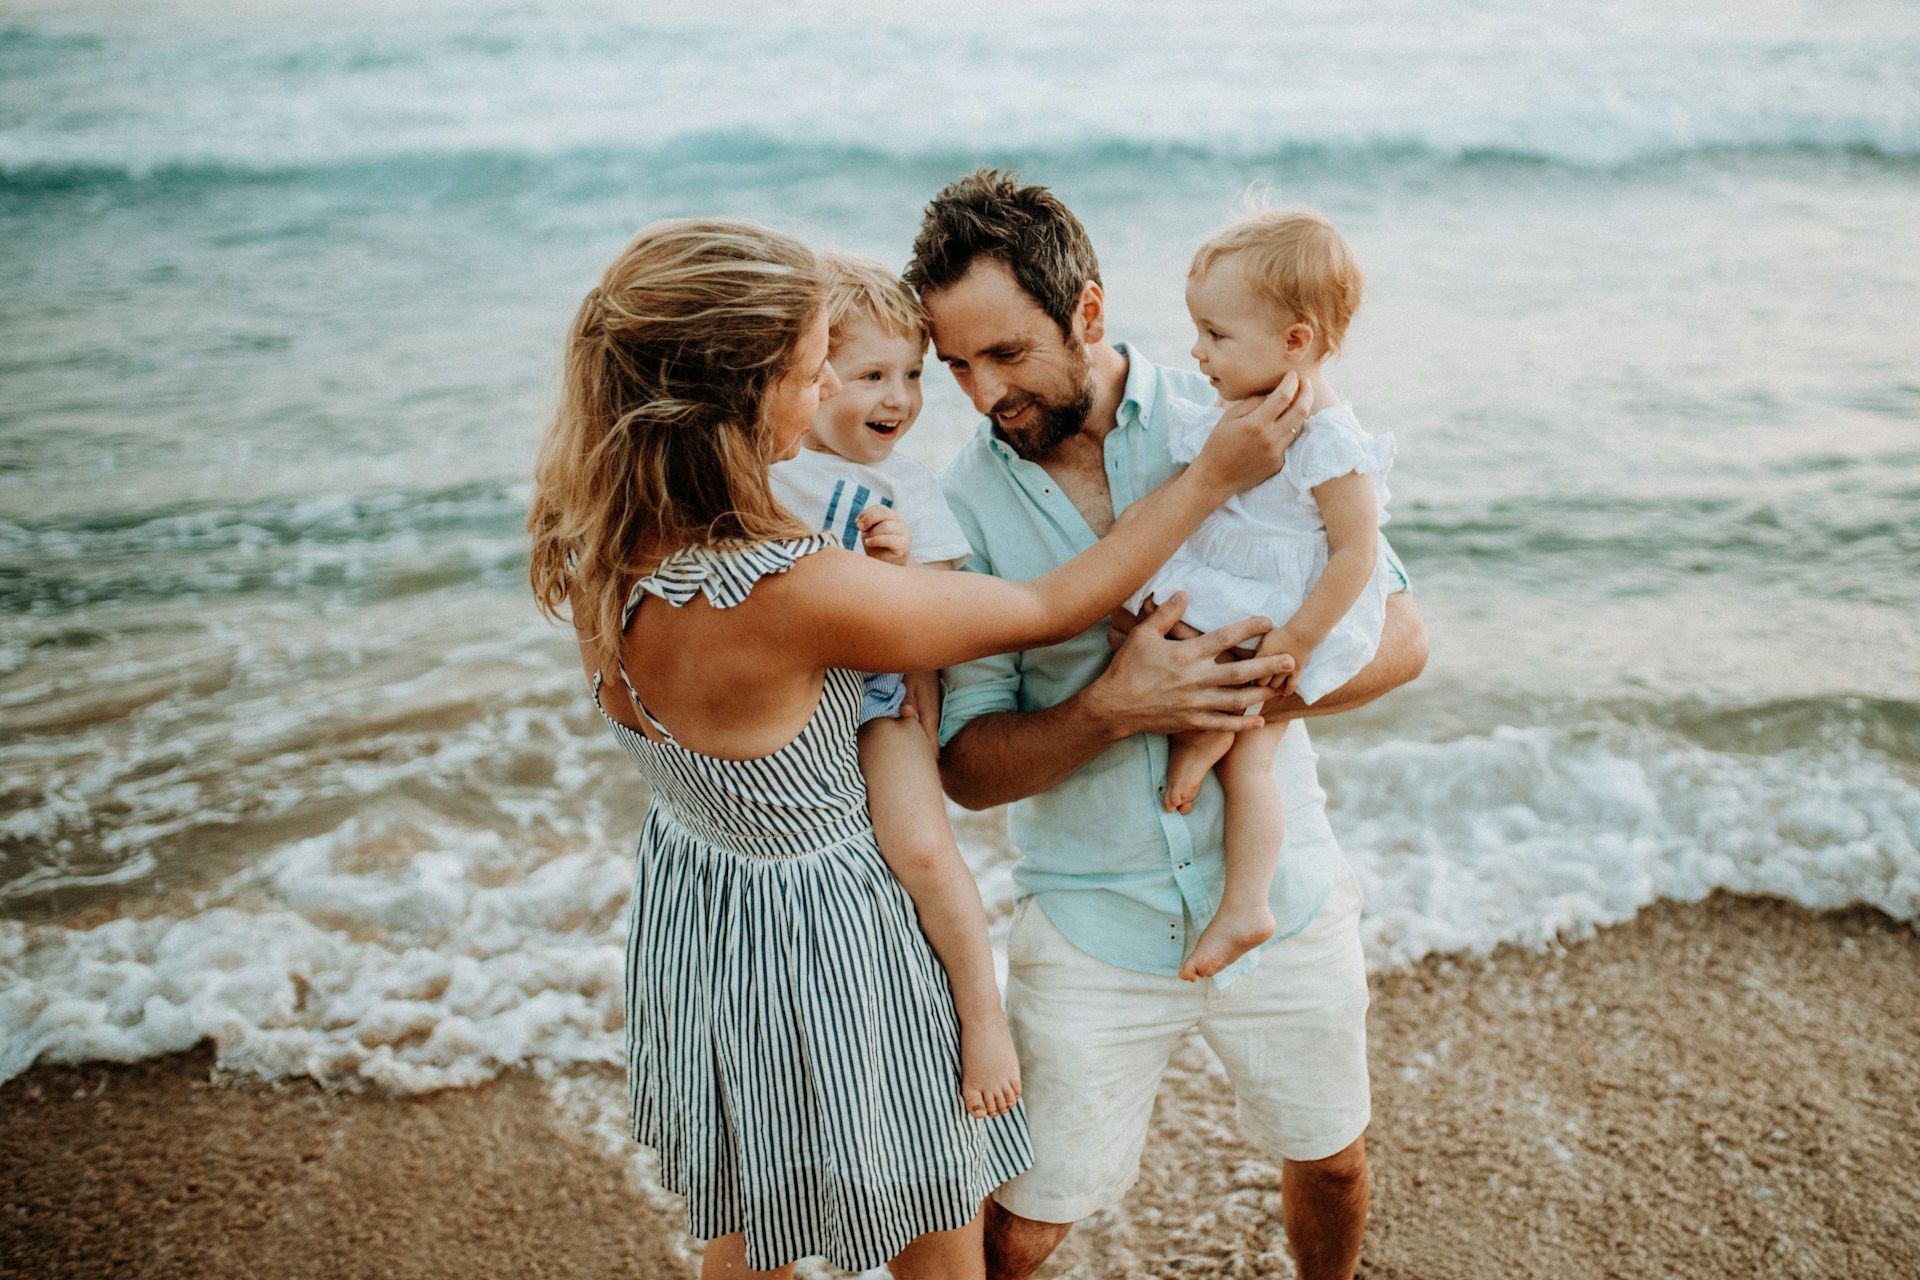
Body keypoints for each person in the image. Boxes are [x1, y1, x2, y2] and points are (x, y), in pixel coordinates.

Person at [525, 217, 1316, 1279]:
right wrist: (1211, 480)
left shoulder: (594, 542)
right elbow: (1045, 602)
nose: (820, 403)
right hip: (838, 927)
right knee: (936, 1212)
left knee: (753, 1210)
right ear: (742, 391)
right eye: (810, 375)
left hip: (708, 904)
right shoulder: (791, 587)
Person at [906, 171, 1429, 1280]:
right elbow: (965, 766)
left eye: (1005, 353)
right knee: (1030, 1222)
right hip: (1094, 922)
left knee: (1330, 1160)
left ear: (1087, 313)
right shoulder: (957, 503)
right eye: (954, 364)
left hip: (1282, 895)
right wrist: (1113, 708)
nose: (980, 391)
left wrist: (1241, 693)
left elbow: (1402, 635)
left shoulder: (1240, 410)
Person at [770, 251, 1020, 1121]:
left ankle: (982, 1017)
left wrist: (898, 565)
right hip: (785, 707)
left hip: (881, 704)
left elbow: (946, 606)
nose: (901, 398)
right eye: (872, 374)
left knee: (918, 848)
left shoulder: (907, 485)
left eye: (913, 375)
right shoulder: (766, 470)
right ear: (810, 374)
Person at [1120, 205, 1398, 981]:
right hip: (1241, 586)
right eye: (1198, 331)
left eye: (1216, 335)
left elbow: (1355, 551)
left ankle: (1246, 906)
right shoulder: (1244, 406)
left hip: (1294, 609)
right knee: (1153, 614)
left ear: (1295, 341)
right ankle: (1210, 734)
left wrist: (1299, 640)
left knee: (1253, 764)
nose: (1196, 350)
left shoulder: (1332, 436)